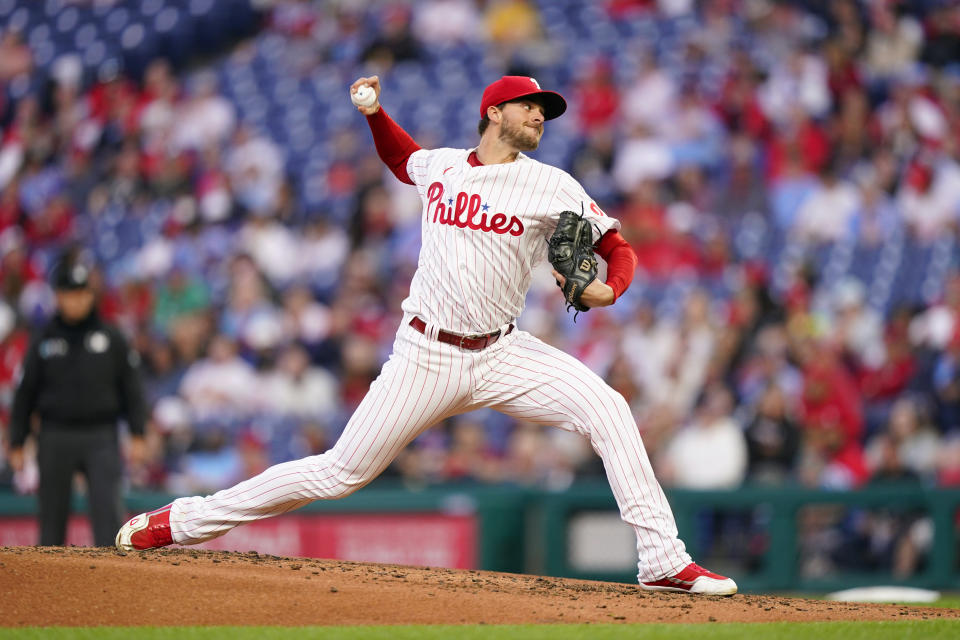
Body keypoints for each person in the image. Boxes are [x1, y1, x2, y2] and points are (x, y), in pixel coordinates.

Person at [116, 75, 737, 595]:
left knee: (609, 407)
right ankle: (183, 522)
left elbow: (616, 247)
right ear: (494, 112)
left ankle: (661, 560)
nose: (540, 116)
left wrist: (611, 288)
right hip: (424, 354)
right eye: (530, 106)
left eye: (545, 111)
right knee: (338, 473)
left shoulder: (552, 184)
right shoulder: (440, 166)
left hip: (501, 351)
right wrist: (376, 113)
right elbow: (400, 158)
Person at [9, 252, 147, 546]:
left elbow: (132, 388)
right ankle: (50, 590)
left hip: (101, 436)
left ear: (91, 296)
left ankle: (113, 585)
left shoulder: (112, 338)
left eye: (82, 293)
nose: (77, 300)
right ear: (58, 296)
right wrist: (17, 441)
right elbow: (25, 393)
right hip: (54, 434)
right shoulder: (43, 338)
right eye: (70, 293)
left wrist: (138, 433)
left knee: (108, 519)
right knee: (51, 523)